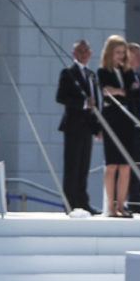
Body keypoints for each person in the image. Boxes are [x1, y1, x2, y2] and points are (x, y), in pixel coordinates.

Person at [95, 35, 140, 216]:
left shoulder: (128, 72)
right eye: (118, 53)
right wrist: (126, 92)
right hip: (111, 119)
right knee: (112, 164)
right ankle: (111, 206)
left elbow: (136, 94)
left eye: (123, 53)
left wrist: (120, 92)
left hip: (126, 118)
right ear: (110, 53)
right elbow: (106, 93)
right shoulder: (102, 72)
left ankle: (122, 205)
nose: (121, 56)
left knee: (125, 165)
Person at [54, 38, 99, 214]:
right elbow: (61, 97)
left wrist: (97, 127)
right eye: (80, 51)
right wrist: (82, 104)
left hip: (87, 126)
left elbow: (95, 103)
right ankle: (70, 203)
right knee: (72, 166)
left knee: (84, 166)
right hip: (73, 125)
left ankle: (82, 201)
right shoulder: (68, 73)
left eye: (87, 51)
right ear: (74, 54)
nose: (84, 54)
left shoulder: (91, 75)